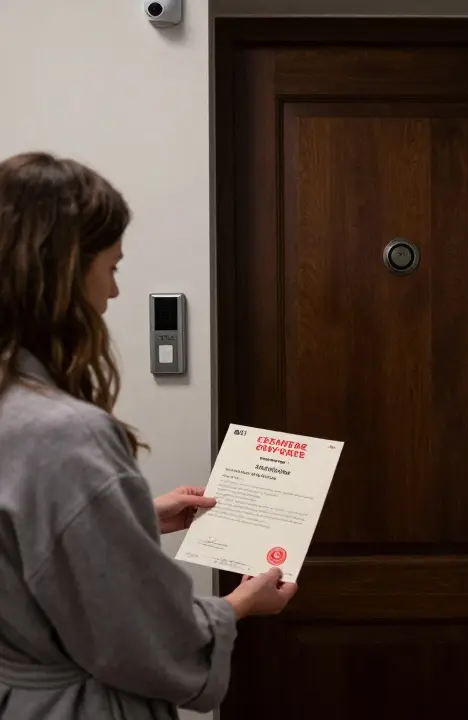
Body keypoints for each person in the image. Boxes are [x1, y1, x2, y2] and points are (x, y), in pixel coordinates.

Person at [0, 152, 298, 718]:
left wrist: (132, 515)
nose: (113, 294)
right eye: (111, 268)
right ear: (64, 271)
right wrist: (236, 606)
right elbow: (141, 638)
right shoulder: (65, 436)